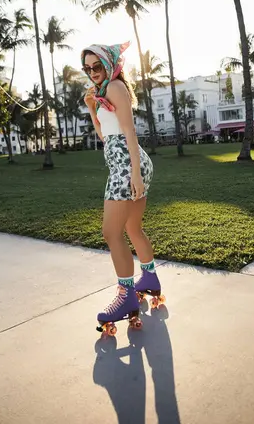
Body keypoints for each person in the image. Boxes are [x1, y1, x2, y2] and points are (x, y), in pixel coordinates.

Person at [82, 42, 163, 334]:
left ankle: (127, 296)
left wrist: (136, 175)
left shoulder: (115, 86)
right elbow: (106, 136)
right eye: (88, 68)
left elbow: (129, 130)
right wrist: (92, 109)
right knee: (132, 228)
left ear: (110, 64)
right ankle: (149, 278)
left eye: (97, 66)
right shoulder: (104, 93)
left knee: (111, 232)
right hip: (125, 163)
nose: (93, 73)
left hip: (126, 167)